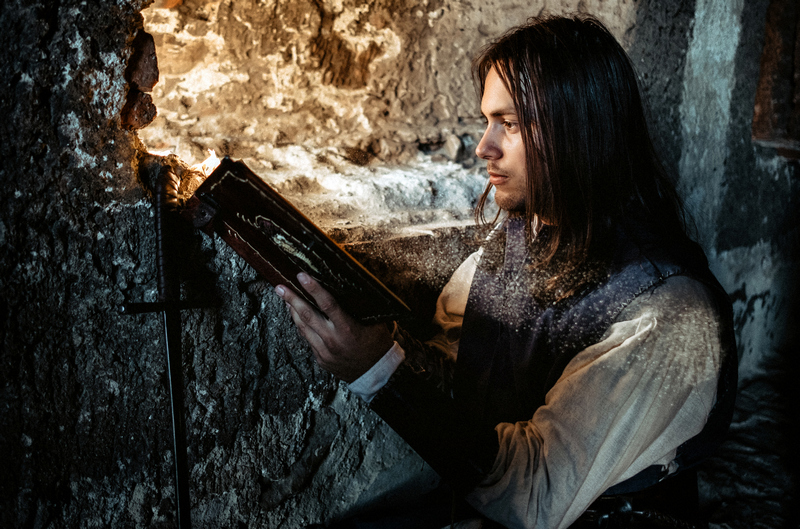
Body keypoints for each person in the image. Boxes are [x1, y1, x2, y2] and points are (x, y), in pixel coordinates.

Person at [275, 14, 737, 529]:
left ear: (579, 132)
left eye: (510, 124)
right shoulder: (519, 237)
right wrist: (376, 336)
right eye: (487, 121)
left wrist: (377, 370)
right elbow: (459, 379)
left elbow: (532, 497)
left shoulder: (666, 313)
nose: (483, 147)